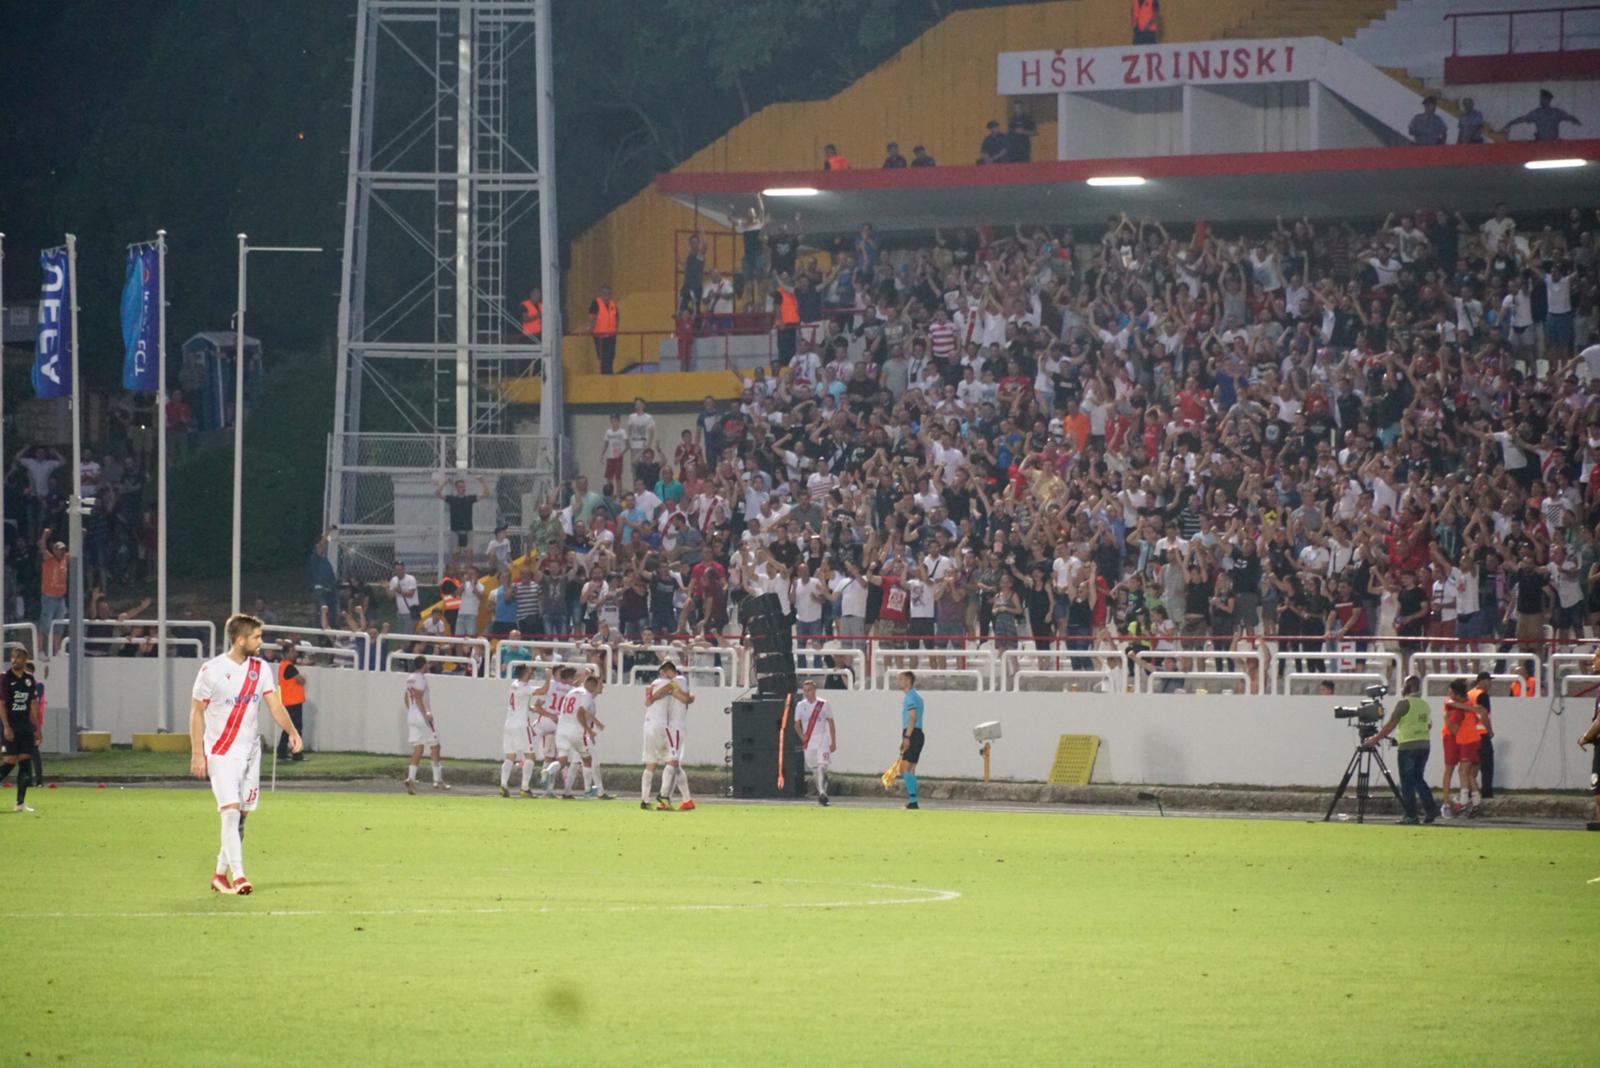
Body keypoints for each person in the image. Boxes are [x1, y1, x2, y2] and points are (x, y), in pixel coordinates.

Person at [189, 613, 304, 895]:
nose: (261, 641)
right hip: (221, 751)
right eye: (256, 637)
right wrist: (197, 753)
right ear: (239, 639)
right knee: (229, 813)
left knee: (240, 816)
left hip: (251, 752)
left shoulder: (260, 668)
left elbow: (274, 706)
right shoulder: (212, 671)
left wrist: (292, 732)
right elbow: (196, 712)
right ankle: (239, 876)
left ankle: (219, 874)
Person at [1362, 673, 1440, 825]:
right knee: (1418, 779)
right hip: (1424, 744)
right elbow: (1428, 724)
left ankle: (1411, 815)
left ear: (1407, 687)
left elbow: (1391, 724)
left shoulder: (1404, 704)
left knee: (1407, 783)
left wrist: (1375, 739)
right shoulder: (1424, 704)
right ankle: (1431, 809)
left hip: (1408, 746)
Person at [546, 671, 611, 800]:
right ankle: (595, 791)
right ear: (595, 686)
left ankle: (552, 774)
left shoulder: (573, 692)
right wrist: (589, 730)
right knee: (590, 760)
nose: (602, 687)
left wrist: (596, 723)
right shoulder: (587, 697)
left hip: (562, 729)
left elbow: (583, 711)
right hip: (577, 731)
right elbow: (580, 713)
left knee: (566, 762)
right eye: (600, 685)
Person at [0, 647, 42, 813]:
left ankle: (20, 803)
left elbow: (32, 704)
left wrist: (37, 728)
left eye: (18, 657)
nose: (14, 660)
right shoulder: (5, 678)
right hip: (11, 725)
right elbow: (1, 704)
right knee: (10, 762)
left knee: (25, 761)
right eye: (13, 657)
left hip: (25, 727)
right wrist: (6, 726)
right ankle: (19, 803)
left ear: (25, 660)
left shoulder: (29, 680)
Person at [402, 655, 446, 793]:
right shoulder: (420, 678)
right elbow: (419, 697)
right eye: (427, 663)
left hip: (411, 715)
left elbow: (406, 697)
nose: (428, 665)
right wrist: (426, 713)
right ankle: (437, 780)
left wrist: (412, 711)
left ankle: (411, 778)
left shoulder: (410, 678)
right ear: (423, 665)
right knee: (435, 745)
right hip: (421, 715)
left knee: (418, 748)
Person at [1442, 678, 1483, 818]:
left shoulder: (1456, 706)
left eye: (1450, 691)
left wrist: (1446, 718)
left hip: (1467, 741)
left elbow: (1454, 729)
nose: (1448, 693)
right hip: (1473, 740)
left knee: (1462, 771)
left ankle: (1463, 801)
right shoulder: (1465, 704)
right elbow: (1477, 716)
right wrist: (1472, 709)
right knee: (1469, 773)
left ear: (1456, 694)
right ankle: (1476, 802)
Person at [793, 679, 837, 806]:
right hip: (809, 742)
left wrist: (833, 741)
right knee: (815, 769)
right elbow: (796, 724)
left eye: (810, 690)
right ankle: (821, 791)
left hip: (822, 739)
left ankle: (822, 793)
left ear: (815, 690)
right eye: (805, 691)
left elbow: (831, 723)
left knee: (822, 766)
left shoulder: (823, 704)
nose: (807, 693)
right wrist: (802, 737)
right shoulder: (800, 706)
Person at [499, 662, 540, 798]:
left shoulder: (514, 685)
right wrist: (548, 676)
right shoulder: (524, 687)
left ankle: (503, 785)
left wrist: (534, 707)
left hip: (509, 724)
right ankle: (524, 788)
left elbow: (523, 704)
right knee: (530, 755)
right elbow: (543, 690)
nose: (531, 673)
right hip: (522, 725)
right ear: (525, 673)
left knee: (510, 756)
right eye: (529, 671)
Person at [892, 670, 925, 809]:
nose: (898, 682)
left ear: (907, 681)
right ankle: (912, 800)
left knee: (904, 769)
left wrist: (907, 737)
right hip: (916, 733)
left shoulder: (910, 697)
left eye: (900, 679)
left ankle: (913, 800)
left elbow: (912, 716)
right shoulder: (917, 696)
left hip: (912, 733)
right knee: (911, 770)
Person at [435, 475, 489, 558]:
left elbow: (486, 494)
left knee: (469, 553)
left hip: (468, 529)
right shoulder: (452, 499)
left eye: (464, 487)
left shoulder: (470, 498)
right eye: (460, 487)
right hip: (455, 529)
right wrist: (445, 483)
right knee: (455, 554)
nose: (462, 488)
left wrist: (482, 482)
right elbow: (437, 494)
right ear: (456, 488)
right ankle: (456, 570)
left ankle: (468, 570)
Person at [1503, 89, 1580, 141]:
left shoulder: (1556, 112)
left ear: (1549, 100)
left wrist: (1575, 120)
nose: (1541, 101)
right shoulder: (1537, 113)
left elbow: (1568, 117)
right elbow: (1523, 119)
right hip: (1541, 143)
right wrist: (1511, 123)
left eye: (1543, 99)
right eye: (1541, 98)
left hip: (1554, 143)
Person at [275, 641, 307, 762]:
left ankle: (282, 752)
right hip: (293, 703)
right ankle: (296, 754)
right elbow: (301, 680)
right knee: (296, 729)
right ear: (287, 653)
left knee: (289, 729)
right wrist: (303, 678)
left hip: (288, 702)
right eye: (293, 651)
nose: (295, 653)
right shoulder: (289, 666)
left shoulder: (283, 665)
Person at [1467, 671, 1494, 800]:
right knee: (1487, 764)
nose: (1490, 684)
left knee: (1472, 764)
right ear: (1482, 681)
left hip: (1470, 734)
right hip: (1482, 733)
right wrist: (1490, 730)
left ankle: (1469, 790)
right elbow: (1483, 715)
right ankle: (1486, 791)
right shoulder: (1482, 696)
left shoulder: (1469, 694)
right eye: (1489, 681)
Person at [589, 284, 619, 374]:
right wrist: (591, 328)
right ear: (601, 294)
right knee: (603, 357)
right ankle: (605, 375)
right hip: (600, 336)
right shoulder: (596, 303)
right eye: (604, 293)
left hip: (611, 336)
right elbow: (592, 317)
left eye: (608, 293)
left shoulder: (613, 304)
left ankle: (609, 373)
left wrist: (615, 330)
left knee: (611, 356)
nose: (606, 295)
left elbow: (617, 318)